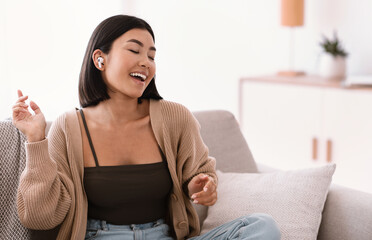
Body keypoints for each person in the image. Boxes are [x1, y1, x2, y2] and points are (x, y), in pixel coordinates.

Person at [12, 15, 281, 240]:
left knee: (260, 226)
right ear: (99, 59)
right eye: (134, 50)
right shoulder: (69, 126)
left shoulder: (175, 117)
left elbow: (200, 174)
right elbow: (40, 217)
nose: (146, 62)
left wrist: (204, 187)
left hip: (162, 235)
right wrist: (36, 139)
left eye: (151, 55)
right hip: (101, 235)